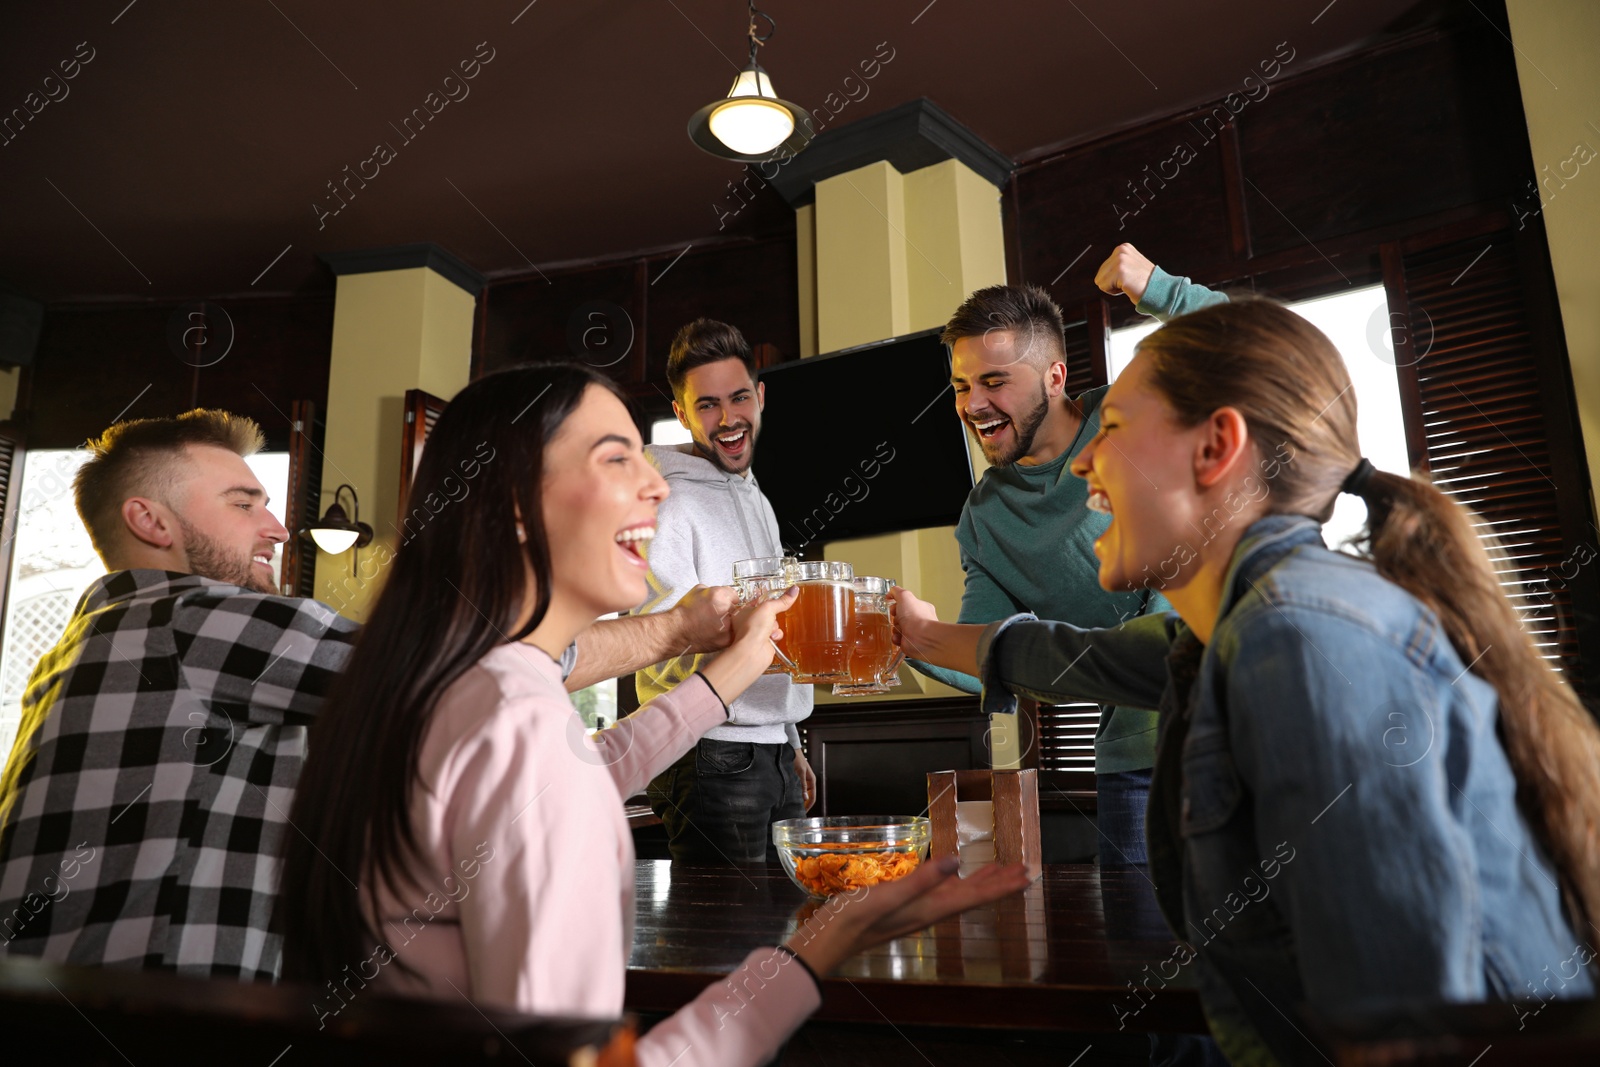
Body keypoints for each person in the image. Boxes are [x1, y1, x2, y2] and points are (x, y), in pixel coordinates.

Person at [895, 298, 1600, 1063]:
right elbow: (1080, 655)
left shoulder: (1299, 642)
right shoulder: (1239, 627)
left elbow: (1406, 1040)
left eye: (1117, 431)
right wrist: (919, 636)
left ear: (1217, 447)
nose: (1087, 462)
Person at [276, 362, 1029, 1066]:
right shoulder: (512, 712)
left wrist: (726, 676)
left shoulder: (456, 680)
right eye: (617, 458)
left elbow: (574, 775)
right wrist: (808, 959)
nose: (661, 486)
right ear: (511, 506)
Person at [0, 410, 744, 978]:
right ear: (149, 520)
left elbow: (552, 751)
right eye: (242, 502)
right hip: (165, 1021)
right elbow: (479, 672)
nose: (278, 526)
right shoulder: (185, 616)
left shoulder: (108, 640)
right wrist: (678, 629)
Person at [910, 244, 1225, 867]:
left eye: (995, 381)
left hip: (1236, 729)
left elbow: (1251, 348)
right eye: (961, 385)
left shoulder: (1132, 411)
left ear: (1055, 377)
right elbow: (988, 650)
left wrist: (1159, 287)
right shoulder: (984, 518)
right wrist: (910, 636)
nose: (972, 405)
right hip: (1130, 763)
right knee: (1137, 959)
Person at [636, 319, 814, 864]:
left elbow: (775, 627)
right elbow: (657, 641)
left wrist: (790, 744)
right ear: (683, 413)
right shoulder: (662, 501)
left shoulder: (758, 500)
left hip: (773, 754)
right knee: (721, 942)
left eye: (739, 397)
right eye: (707, 405)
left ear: (759, 397)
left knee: (782, 933)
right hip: (705, 751)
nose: (728, 418)